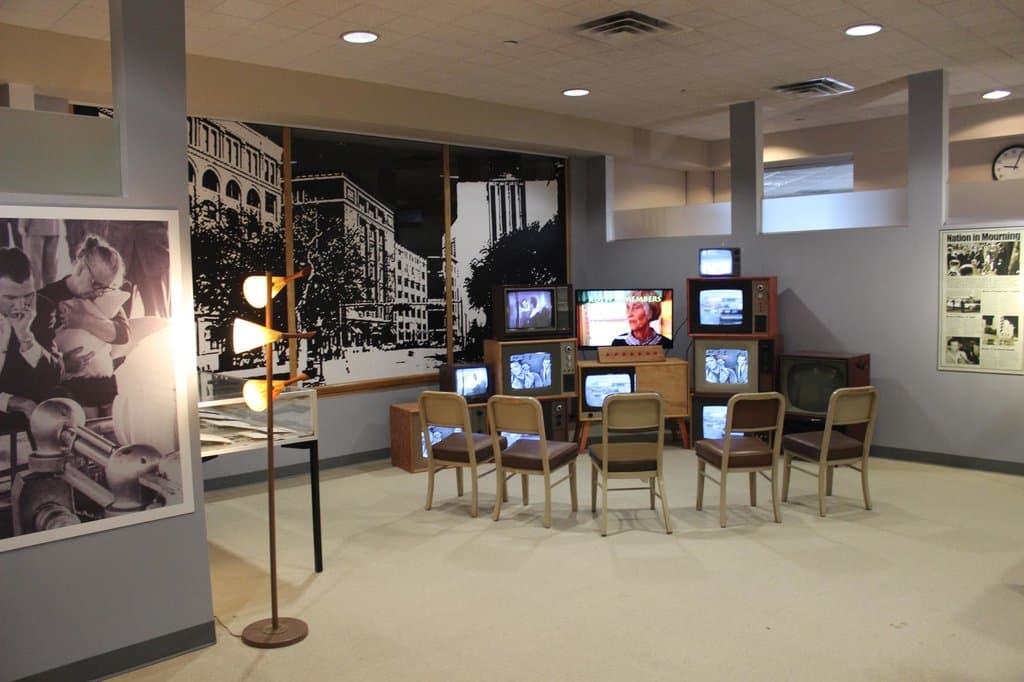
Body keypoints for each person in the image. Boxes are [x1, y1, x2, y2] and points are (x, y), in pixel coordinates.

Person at [35, 235, 130, 417]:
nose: (98, 291)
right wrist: (63, 365)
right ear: (79, 266)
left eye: (105, 287)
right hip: (66, 386)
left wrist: (83, 320)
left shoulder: (104, 296)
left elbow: (123, 334)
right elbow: (34, 352)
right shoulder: (47, 297)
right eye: (95, 283)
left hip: (103, 381)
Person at [0, 247, 64, 420]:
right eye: (10, 298)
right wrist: (12, 402)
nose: (21, 306)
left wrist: (26, 337)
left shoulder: (43, 308)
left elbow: (53, 377)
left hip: (26, 399)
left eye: (28, 295)